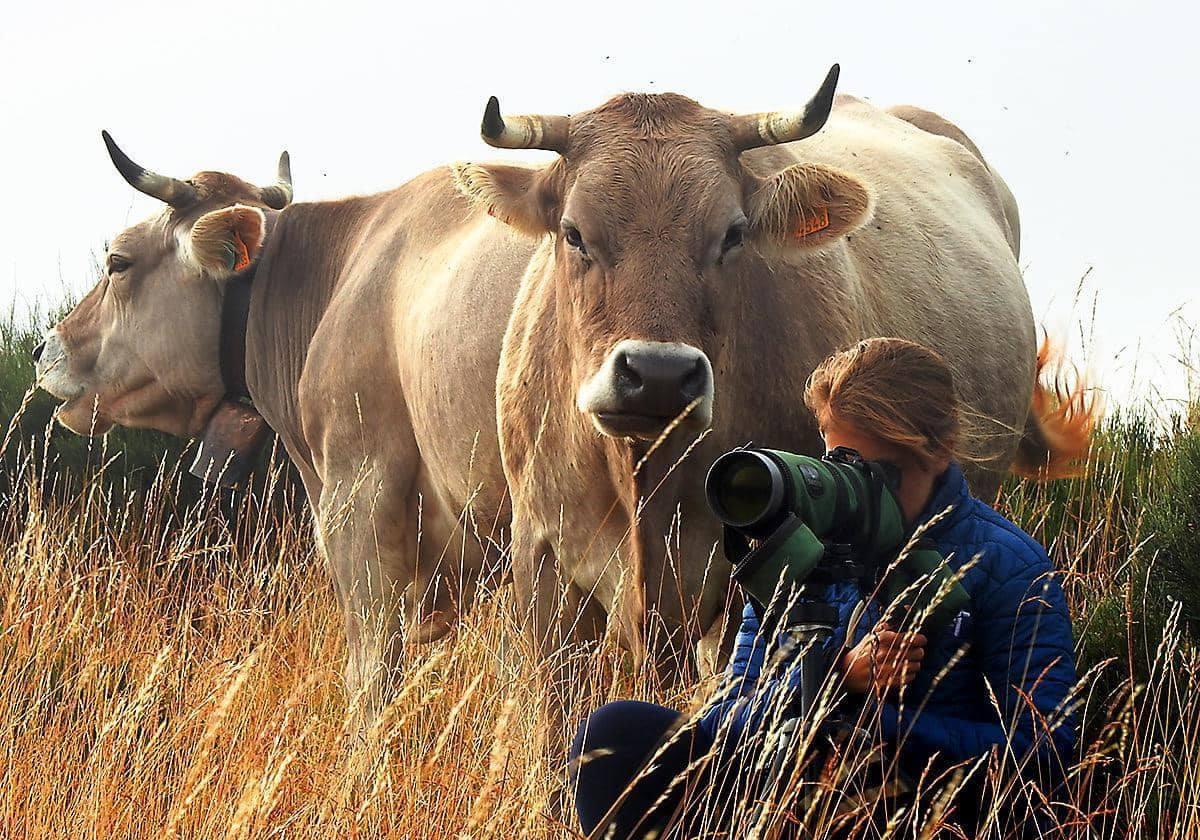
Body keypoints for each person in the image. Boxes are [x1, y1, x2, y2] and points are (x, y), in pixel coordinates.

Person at [568, 337, 1079, 838]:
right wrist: (836, 680)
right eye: (841, 465)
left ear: (938, 452)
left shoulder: (1008, 565)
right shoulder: (801, 548)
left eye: (878, 472)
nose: (859, 489)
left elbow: (1047, 753)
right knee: (617, 735)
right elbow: (728, 716)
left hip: (916, 802)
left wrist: (886, 728)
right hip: (776, 785)